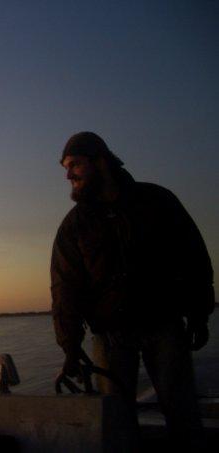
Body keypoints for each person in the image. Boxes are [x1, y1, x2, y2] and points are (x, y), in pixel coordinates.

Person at [50, 131, 215, 448]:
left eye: (74, 165)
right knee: (117, 421)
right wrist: (70, 346)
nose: (68, 175)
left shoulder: (157, 200)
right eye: (65, 168)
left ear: (100, 162)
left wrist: (198, 314)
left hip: (164, 327)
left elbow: (193, 257)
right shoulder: (74, 225)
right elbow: (64, 289)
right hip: (111, 337)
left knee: (182, 414)